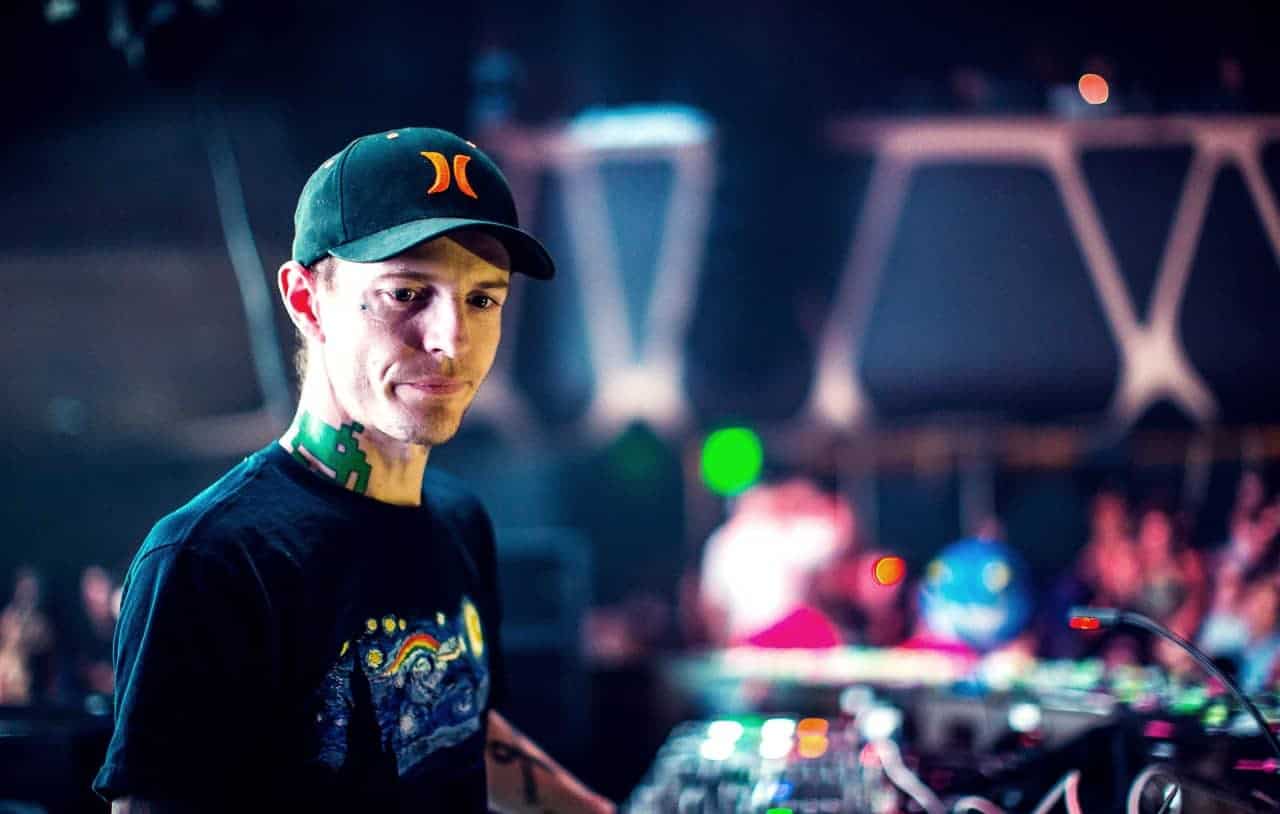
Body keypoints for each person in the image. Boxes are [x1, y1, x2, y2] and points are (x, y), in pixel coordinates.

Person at [94, 127, 614, 813]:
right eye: (406, 293)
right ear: (307, 300)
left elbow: (455, 731)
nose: (450, 340)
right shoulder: (212, 561)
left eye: (483, 299)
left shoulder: (458, 520)